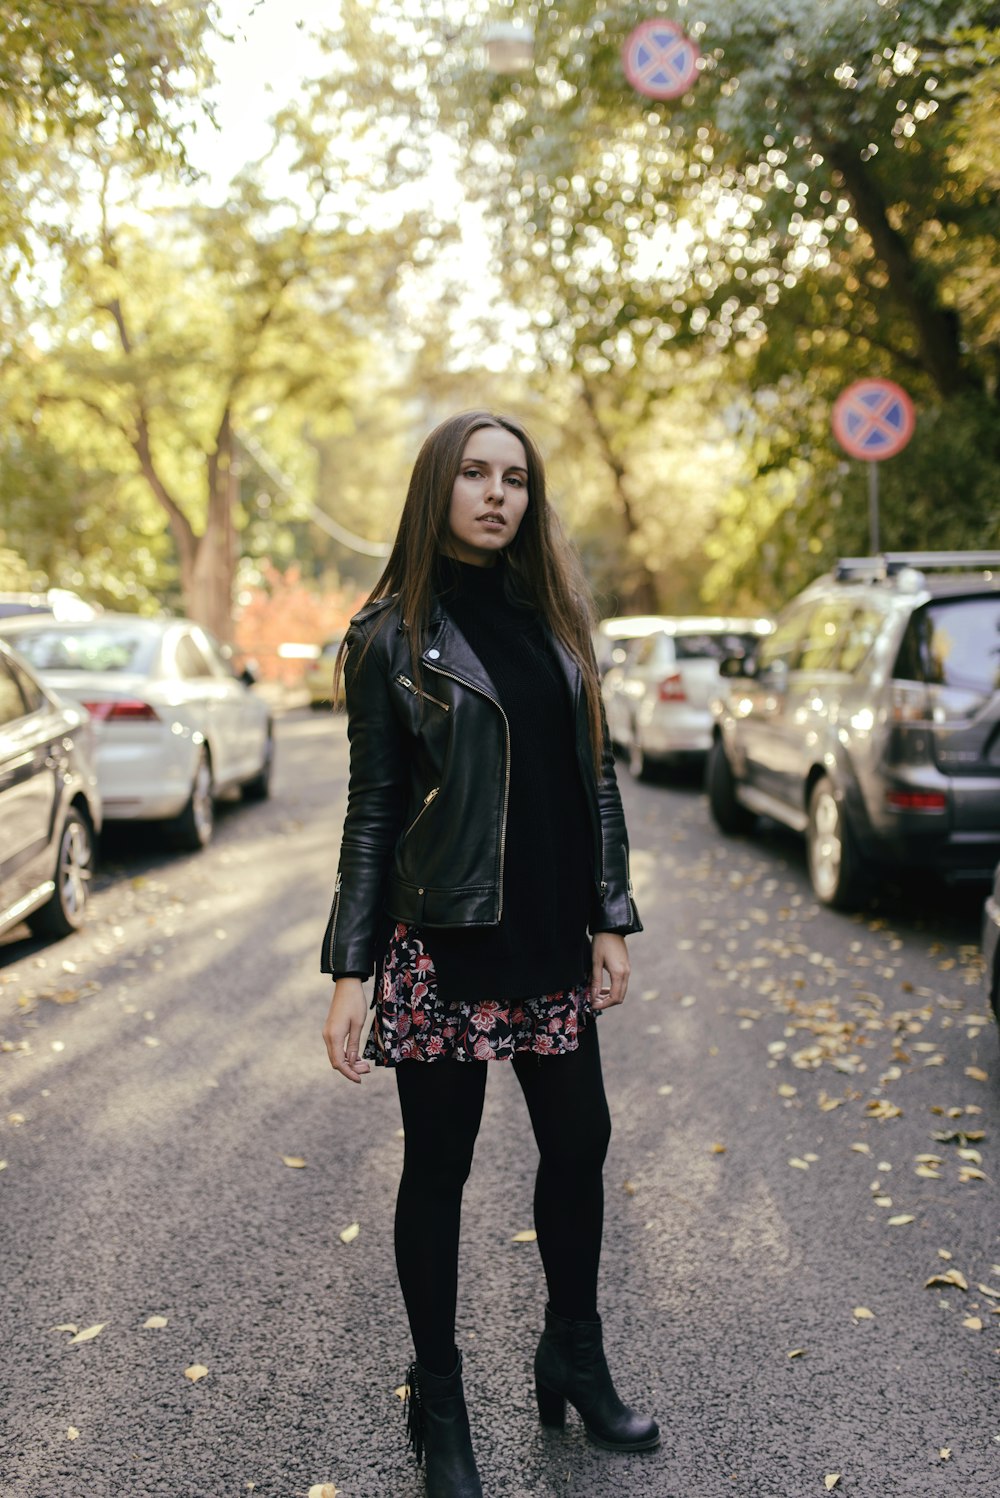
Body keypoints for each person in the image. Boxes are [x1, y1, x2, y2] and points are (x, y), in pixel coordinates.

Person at [321, 410, 659, 1498]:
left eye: (514, 478)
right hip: (444, 944)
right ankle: (440, 1395)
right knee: (441, 1168)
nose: (496, 493)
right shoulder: (387, 638)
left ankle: (571, 1348)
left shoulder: (555, 623)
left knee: (580, 1145)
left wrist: (609, 913)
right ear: (438, 488)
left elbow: (592, 780)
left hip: (551, 935)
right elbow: (372, 809)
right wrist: (349, 969)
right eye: (473, 473)